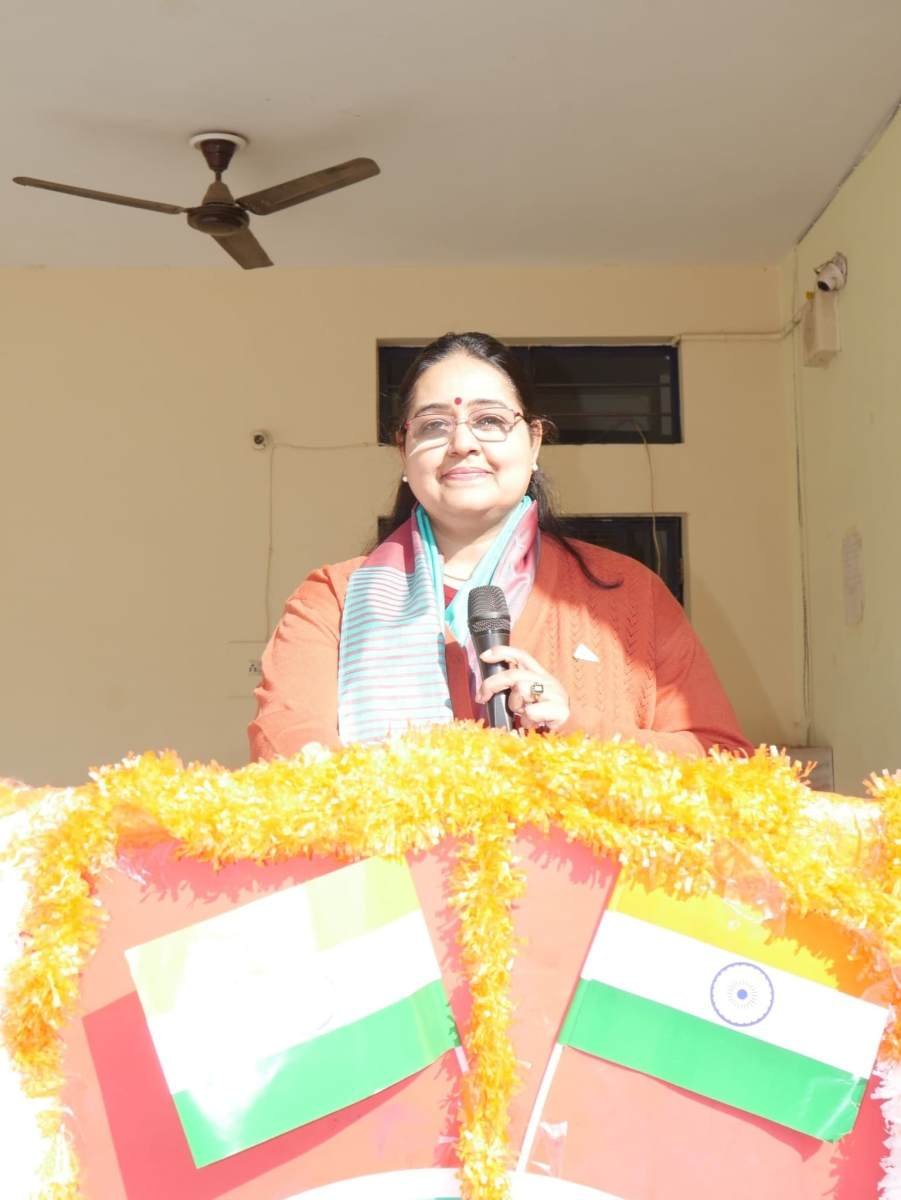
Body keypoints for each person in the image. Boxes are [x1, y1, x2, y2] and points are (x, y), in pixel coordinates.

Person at [249, 332, 751, 759]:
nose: (462, 443)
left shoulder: (628, 592)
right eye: (433, 425)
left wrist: (576, 727)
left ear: (534, 443)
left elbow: (725, 765)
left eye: (489, 421)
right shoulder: (333, 601)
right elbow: (288, 754)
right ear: (404, 453)